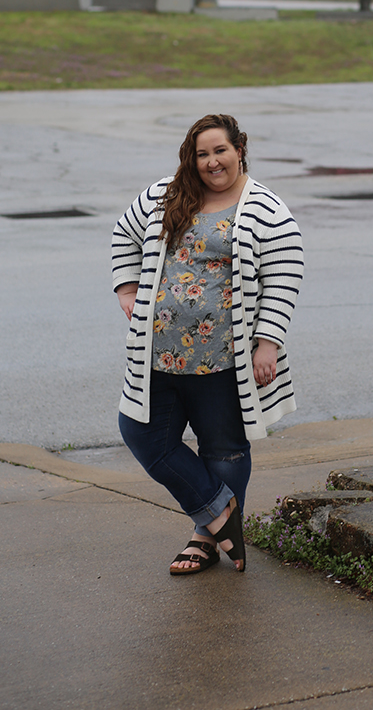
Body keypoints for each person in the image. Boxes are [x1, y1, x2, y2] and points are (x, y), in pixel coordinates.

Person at [112, 113, 303, 575]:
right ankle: (220, 514)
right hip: (158, 353)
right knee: (142, 433)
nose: (212, 162)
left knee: (224, 448)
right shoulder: (164, 195)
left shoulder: (266, 210)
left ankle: (203, 538)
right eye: (202, 153)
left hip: (224, 359)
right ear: (190, 157)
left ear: (239, 149)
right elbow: (124, 234)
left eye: (221, 150)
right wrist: (126, 289)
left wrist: (267, 343)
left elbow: (285, 273)